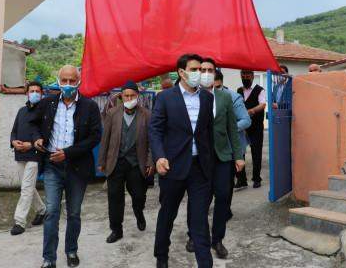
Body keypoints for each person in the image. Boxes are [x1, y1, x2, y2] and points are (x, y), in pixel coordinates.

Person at [32, 65, 102, 268]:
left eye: (72, 80)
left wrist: (69, 153)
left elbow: (95, 136)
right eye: (64, 80)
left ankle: (71, 250)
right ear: (58, 80)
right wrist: (36, 138)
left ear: (78, 81)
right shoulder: (47, 103)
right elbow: (33, 124)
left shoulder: (89, 106)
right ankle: (49, 258)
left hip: (77, 168)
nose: (68, 85)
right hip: (53, 166)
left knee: (73, 213)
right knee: (52, 211)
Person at [150, 53, 215, 268]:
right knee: (167, 215)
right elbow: (156, 130)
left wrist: (211, 162)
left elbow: (207, 132)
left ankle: (205, 263)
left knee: (199, 220)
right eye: (195, 69)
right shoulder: (165, 98)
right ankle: (161, 256)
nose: (200, 74)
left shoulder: (207, 97)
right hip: (173, 166)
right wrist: (159, 156)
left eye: (202, 70)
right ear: (181, 72)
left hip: (199, 169)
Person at [184, 58, 245, 259]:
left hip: (222, 156)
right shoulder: (190, 97)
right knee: (198, 200)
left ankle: (217, 239)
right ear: (197, 72)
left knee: (223, 198)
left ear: (215, 74)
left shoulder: (225, 97)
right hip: (198, 158)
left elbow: (232, 130)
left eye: (210, 70)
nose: (207, 73)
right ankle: (194, 235)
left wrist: (238, 155)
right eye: (203, 70)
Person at [98, 81, 154, 244]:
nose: (129, 98)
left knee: (138, 195)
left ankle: (139, 212)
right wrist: (102, 161)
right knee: (114, 197)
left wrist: (150, 161)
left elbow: (152, 141)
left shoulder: (147, 115)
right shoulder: (113, 113)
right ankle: (116, 229)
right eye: (126, 95)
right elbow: (105, 138)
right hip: (116, 161)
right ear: (121, 97)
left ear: (138, 96)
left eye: (132, 95)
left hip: (137, 162)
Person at [9, 81, 47, 236]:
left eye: (38, 91)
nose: (35, 93)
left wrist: (30, 145)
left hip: (35, 155)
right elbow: (14, 131)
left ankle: (19, 221)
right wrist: (13, 142)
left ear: (42, 94)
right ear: (27, 93)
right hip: (20, 154)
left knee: (25, 188)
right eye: (32, 91)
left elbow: (45, 136)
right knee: (28, 187)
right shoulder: (21, 111)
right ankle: (42, 210)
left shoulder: (44, 113)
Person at [236, 70, 267, 189]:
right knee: (240, 153)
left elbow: (262, 104)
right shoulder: (239, 91)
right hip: (242, 127)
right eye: (243, 76)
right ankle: (241, 179)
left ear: (253, 76)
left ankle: (256, 178)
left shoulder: (260, 90)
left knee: (256, 153)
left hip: (256, 127)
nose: (245, 78)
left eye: (247, 76)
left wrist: (252, 111)